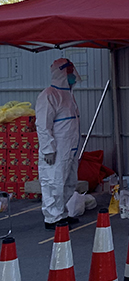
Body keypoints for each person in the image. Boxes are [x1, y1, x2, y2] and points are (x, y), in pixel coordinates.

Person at [36, 58, 81, 230]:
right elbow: (43, 125)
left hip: (69, 149)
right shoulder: (49, 95)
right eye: (69, 72)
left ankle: (61, 213)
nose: (73, 76)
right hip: (55, 151)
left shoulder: (68, 96)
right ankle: (52, 218)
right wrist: (48, 148)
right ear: (61, 73)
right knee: (53, 182)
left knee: (68, 181)